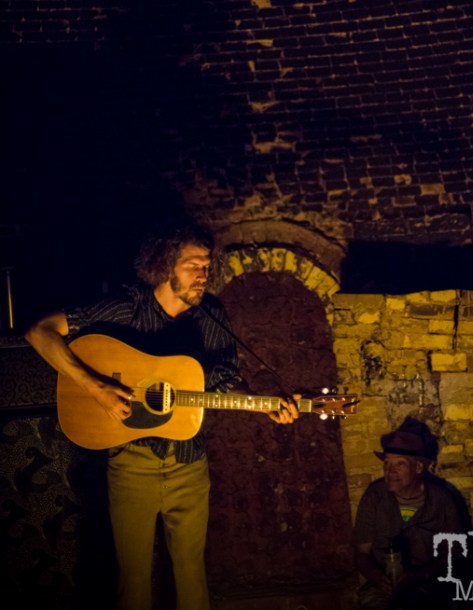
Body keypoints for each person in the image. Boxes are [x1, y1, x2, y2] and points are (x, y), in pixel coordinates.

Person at [25, 222, 299, 610]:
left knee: (191, 576)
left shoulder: (211, 315)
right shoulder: (126, 306)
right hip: (132, 461)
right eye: (193, 266)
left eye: (207, 266)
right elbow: (41, 332)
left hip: (190, 462)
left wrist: (263, 403)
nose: (203, 275)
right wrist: (95, 387)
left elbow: (222, 381)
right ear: (166, 264)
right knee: (133, 582)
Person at [351, 426, 468, 610]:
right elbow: (361, 554)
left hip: (429, 584)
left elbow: (456, 554)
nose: (390, 472)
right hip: (383, 587)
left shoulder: (441, 499)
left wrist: (418, 575)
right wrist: (378, 577)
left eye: (400, 464)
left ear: (419, 467)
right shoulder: (375, 496)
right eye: (387, 464)